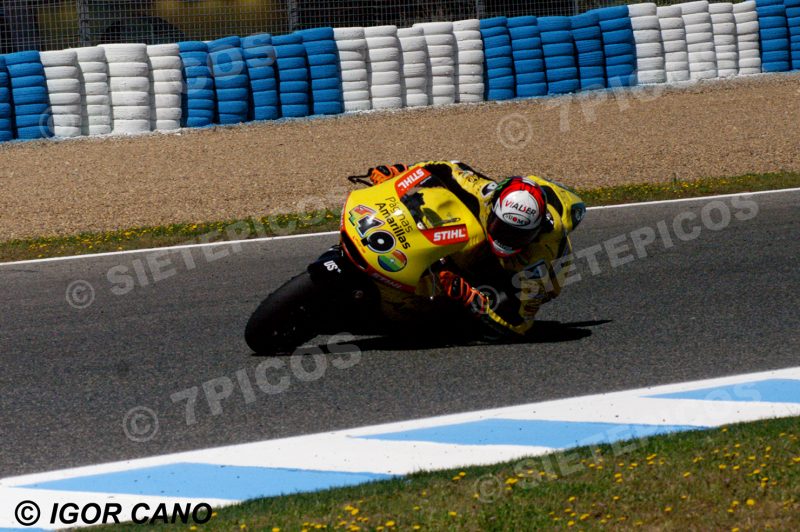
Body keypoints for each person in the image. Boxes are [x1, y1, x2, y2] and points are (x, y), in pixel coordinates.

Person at [365, 160, 584, 338]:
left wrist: (469, 296)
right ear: (494, 208)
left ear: (534, 233)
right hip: (495, 237)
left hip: (513, 276)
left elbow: (520, 324)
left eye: (518, 235)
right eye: (501, 228)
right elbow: (444, 167)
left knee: (457, 323)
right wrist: (399, 173)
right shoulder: (483, 192)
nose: (506, 239)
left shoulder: (537, 262)